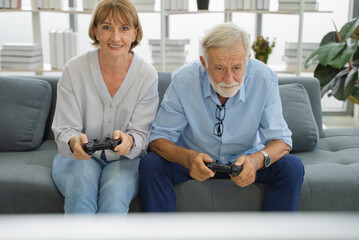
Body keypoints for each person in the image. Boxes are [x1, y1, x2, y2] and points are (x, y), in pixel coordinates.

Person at [139, 22, 304, 212]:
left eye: (236, 68)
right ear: (204, 63)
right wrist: (188, 158)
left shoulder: (265, 79)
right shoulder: (183, 80)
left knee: (292, 167)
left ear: (248, 60)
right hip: (194, 161)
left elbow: (282, 141)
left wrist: (257, 161)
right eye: (219, 68)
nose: (228, 78)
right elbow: (158, 139)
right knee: (151, 164)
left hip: (246, 162)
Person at [52, 0, 158, 214]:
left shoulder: (147, 75)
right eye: (107, 27)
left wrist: (130, 141)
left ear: (135, 33)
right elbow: (65, 130)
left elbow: (141, 135)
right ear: (96, 31)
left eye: (124, 28)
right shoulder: (73, 70)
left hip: (126, 161)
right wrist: (74, 142)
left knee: (115, 196)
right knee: (81, 191)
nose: (116, 37)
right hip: (78, 159)